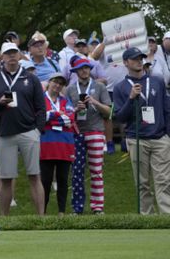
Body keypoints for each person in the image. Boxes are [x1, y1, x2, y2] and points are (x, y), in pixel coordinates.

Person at [0, 42, 46, 216]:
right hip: (4, 134)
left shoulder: (30, 78)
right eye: (7, 53)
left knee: (34, 175)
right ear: (2, 57)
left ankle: (41, 218)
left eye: (14, 53)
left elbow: (41, 107)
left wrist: (38, 130)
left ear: (19, 55)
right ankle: (4, 219)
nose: (11, 56)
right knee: (6, 179)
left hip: (28, 132)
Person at [113, 47, 170, 214]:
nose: (139, 61)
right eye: (134, 58)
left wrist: (168, 135)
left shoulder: (157, 81)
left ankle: (167, 218)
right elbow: (121, 117)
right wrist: (131, 99)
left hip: (160, 137)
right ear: (125, 62)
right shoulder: (120, 87)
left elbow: (167, 109)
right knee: (142, 183)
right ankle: (147, 218)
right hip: (136, 138)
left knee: (164, 180)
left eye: (141, 58)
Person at [65, 57, 110, 214]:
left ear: (90, 69)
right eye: (81, 68)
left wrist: (95, 103)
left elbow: (109, 112)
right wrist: (75, 110)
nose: (84, 70)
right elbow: (65, 113)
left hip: (96, 132)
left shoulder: (99, 87)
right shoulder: (70, 89)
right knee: (77, 171)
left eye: (86, 67)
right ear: (75, 71)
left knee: (96, 171)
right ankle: (77, 208)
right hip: (77, 133)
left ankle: (98, 207)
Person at [39, 72, 75, 215]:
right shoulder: (40, 100)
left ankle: (62, 212)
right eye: (55, 82)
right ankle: (43, 212)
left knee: (63, 180)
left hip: (64, 145)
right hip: (46, 145)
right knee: (45, 181)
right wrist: (57, 114)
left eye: (61, 83)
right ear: (49, 82)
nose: (58, 85)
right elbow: (40, 118)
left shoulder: (66, 101)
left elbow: (70, 119)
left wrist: (51, 116)